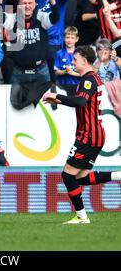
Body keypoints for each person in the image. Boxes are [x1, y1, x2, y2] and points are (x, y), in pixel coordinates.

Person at [43, 45, 121, 224]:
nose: (73, 62)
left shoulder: (89, 80)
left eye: (75, 59)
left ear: (84, 61)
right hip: (95, 134)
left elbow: (80, 101)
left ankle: (81, 217)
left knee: (67, 175)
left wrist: (56, 96)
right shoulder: (91, 78)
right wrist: (58, 101)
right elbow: (82, 103)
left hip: (88, 135)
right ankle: (117, 176)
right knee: (81, 178)